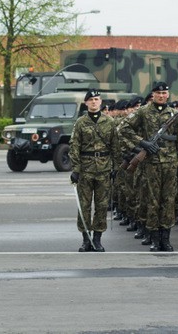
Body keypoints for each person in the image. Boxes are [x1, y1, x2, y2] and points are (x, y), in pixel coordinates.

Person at [119, 82, 178, 252]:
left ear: (168, 95)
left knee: (169, 202)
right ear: (153, 95)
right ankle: (155, 240)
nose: (162, 96)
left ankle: (166, 239)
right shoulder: (143, 111)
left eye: (165, 93)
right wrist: (143, 143)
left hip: (170, 164)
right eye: (159, 93)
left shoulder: (174, 114)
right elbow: (124, 129)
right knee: (152, 202)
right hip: (151, 164)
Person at [69, 89, 119, 252]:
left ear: (101, 102)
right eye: (91, 100)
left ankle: (97, 239)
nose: (94, 102)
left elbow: (115, 147)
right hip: (85, 169)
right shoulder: (80, 122)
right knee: (84, 206)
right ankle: (86, 239)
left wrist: (115, 168)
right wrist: (75, 169)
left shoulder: (109, 122)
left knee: (102, 205)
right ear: (86, 103)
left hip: (104, 169)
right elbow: (74, 146)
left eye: (96, 99)